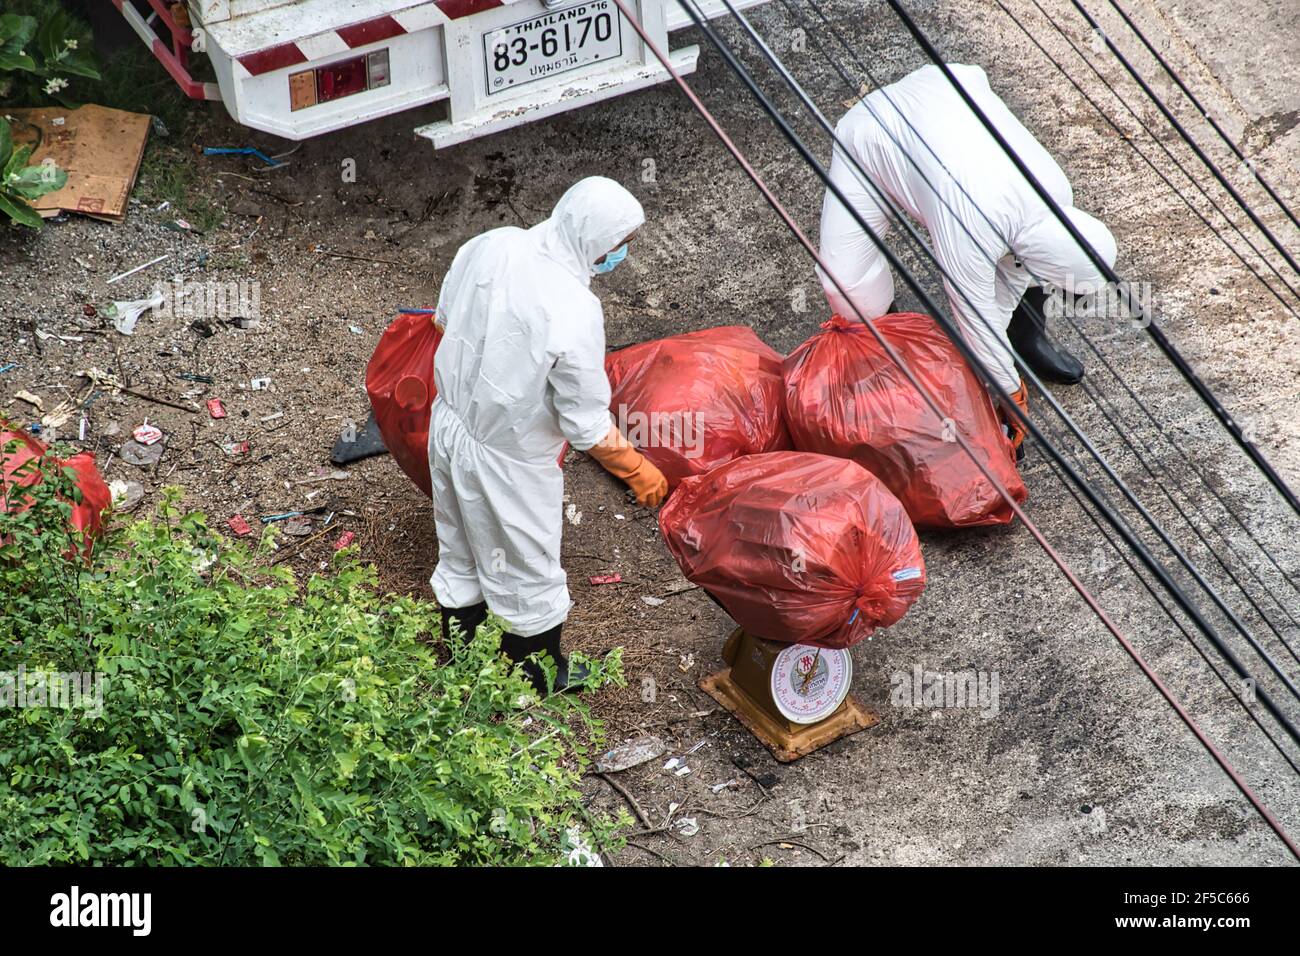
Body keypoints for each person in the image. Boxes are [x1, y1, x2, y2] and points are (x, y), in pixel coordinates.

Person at [426, 176, 668, 695]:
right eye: (619, 245)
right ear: (596, 241)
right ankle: (533, 677)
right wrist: (637, 469)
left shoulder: (493, 243)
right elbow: (584, 421)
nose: (620, 255)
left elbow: (443, 323)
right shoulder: (575, 308)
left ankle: (464, 659)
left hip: (448, 425)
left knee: (461, 546)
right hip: (508, 457)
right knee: (527, 565)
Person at [817, 63, 1118, 450]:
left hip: (944, 107)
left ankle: (1024, 338)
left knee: (1014, 286)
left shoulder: (1055, 196)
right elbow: (974, 315)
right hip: (873, 140)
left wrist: (1000, 360)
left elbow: (1013, 277)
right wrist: (1011, 396)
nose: (1063, 294)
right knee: (846, 282)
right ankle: (901, 361)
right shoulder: (973, 226)